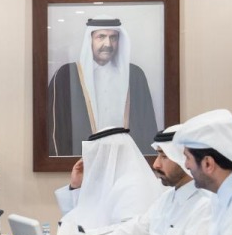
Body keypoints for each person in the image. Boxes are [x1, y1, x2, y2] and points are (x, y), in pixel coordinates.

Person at [48, 17, 159, 157]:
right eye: (101, 37)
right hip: (82, 160)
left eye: (113, 37)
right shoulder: (66, 75)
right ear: (90, 40)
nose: (108, 43)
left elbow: (147, 124)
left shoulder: (135, 75)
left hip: (126, 158)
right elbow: (54, 126)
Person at [110, 125, 212, 235]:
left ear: (184, 160)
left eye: (164, 156)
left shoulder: (206, 206)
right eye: (158, 155)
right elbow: (133, 233)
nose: (156, 165)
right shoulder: (167, 198)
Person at [53, 127, 163, 235]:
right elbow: (80, 216)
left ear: (112, 153)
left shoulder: (135, 184)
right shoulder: (106, 180)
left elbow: (130, 234)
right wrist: (76, 186)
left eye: (99, 153)